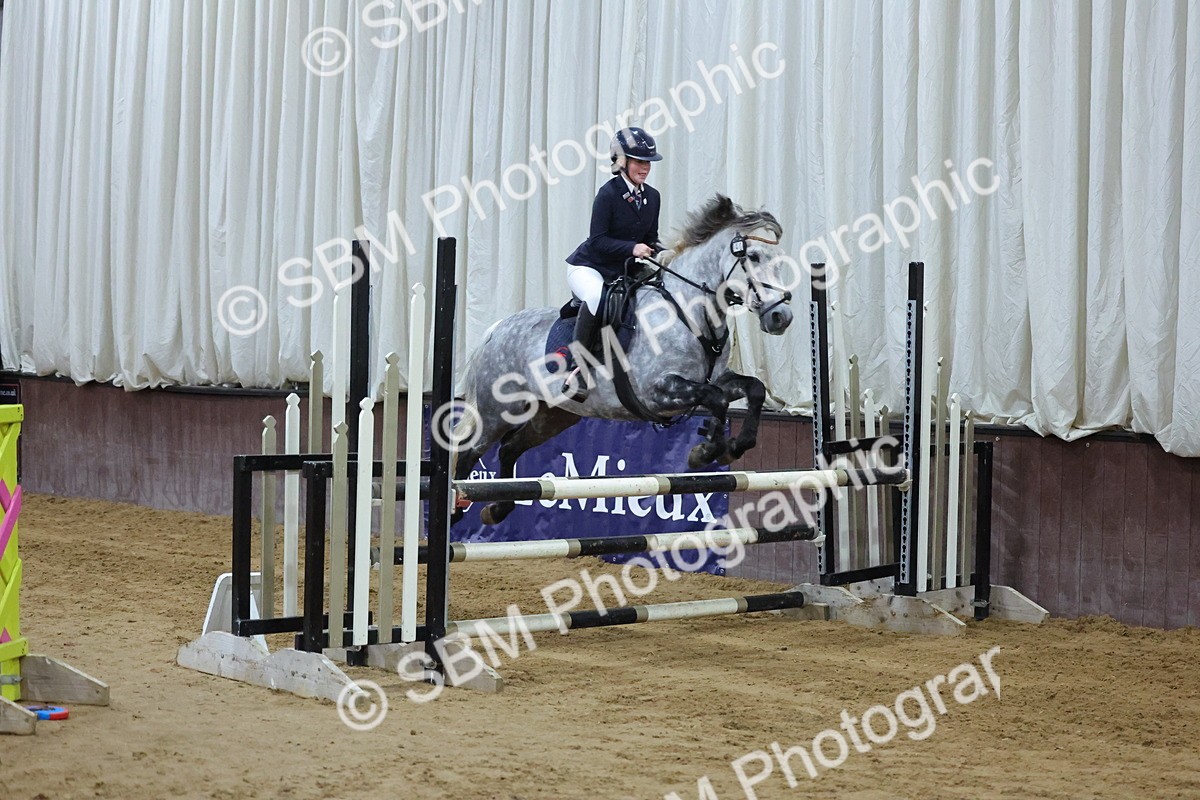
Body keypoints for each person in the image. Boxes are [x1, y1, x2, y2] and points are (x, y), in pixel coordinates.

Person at [561, 126, 663, 401]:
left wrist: (663, 252)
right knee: (595, 296)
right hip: (590, 266)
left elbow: (650, 238)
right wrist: (632, 248)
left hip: (623, 269)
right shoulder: (607, 195)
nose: (645, 168)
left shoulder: (652, 196)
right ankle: (577, 370)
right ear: (621, 161)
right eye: (639, 161)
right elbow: (597, 241)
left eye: (648, 163)